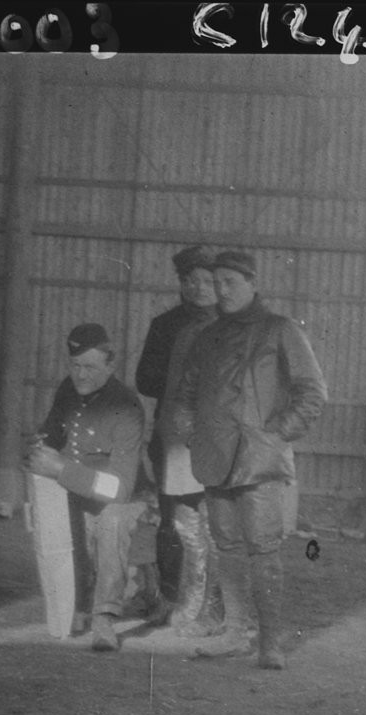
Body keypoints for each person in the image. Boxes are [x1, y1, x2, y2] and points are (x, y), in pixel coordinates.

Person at [171, 250, 328, 670]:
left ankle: (270, 643)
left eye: (230, 283)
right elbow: (184, 397)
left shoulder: (281, 330)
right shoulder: (206, 338)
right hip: (215, 457)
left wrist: (276, 434)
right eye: (216, 283)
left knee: (263, 548)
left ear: (252, 283)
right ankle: (234, 633)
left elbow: (313, 393)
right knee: (227, 547)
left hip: (259, 462)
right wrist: (193, 434)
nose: (221, 291)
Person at [25, 323, 147, 653]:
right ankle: (79, 600)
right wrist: (40, 447)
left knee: (112, 520)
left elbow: (120, 488)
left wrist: (62, 468)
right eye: (75, 366)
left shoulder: (127, 407)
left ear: (110, 366)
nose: (81, 376)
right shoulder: (68, 388)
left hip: (121, 497)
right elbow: (52, 431)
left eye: (90, 367)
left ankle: (104, 616)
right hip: (77, 488)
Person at [134, 245, 219, 624]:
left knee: (215, 521)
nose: (200, 288)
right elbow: (144, 381)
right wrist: (181, 377)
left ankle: (208, 600)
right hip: (173, 438)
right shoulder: (165, 326)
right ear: (181, 285)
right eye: (191, 281)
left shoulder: (230, 326)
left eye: (206, 281)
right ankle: (168, 596)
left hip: (218, 441)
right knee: (171, 519)